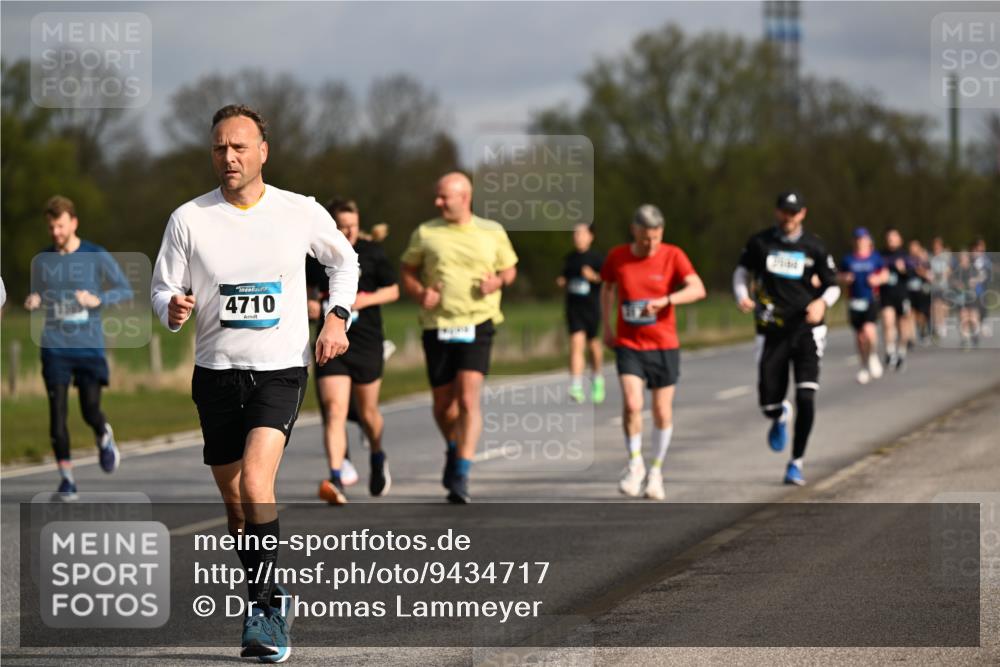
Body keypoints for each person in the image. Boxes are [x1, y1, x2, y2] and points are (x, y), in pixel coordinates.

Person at [150, 104, 358, 662]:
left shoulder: (298, 211)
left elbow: (345, 264)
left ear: (263, 151)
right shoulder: (189, 219)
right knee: (235, 504)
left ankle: (264, 611)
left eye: (240, 146)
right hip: (215, 373)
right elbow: (162, 288)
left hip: (280, 368)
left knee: (255, 484)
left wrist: (337, 316)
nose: (230, 156)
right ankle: (270, 593)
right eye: (220, 147)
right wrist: (171, 307)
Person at [400, 172, 518, 504]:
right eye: (437, 197)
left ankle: (462, 471)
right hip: (437, 325)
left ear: (464, 197)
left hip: (477, 322)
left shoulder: (491, 232)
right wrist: (420, 292)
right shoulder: (425, 233)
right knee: (442, 407)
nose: (438, 202)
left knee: (468, 400)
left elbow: (509, 268)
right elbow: (407, 271)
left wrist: (498, 282)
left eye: (443, 197)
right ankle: (454, 448)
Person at [24, 195, 131, 500]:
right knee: (57, 418)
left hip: (88, 347)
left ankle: (102, 434)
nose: (55, 233)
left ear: (73, 222)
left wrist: (99, 300)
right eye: (51, 227)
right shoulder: (44, 259)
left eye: (59, 226)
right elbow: (41, 294)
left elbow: (123, 289)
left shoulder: (96, 254)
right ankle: (67, 480)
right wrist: (35, 300)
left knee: (89, 410)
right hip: (55, 347)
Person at [733, 191, 840, 486]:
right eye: (784, 211)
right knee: (768, 403)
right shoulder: (761, 242)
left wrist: (822, 304)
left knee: (806, 396)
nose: (788, 217)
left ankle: (796, 462)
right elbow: (741, 272)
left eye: (794, 212)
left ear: (803, 214)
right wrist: (742, 295)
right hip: (772, 329)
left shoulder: (814, 246)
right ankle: (780, 414)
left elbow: (833, 285)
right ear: (777, 212)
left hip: (806, 329)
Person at [601, 205, 705, 500]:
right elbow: (607, 288)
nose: (651, 245)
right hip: (630, 343)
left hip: (663, 344)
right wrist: (607, 327)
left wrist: (666, 300)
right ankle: (635, 465)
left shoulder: (673, 255)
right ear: (634, 231)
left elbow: (698, 289)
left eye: (657, 238)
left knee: (661, 410)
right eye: (646, 238)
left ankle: (656, 471)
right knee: (633, 404)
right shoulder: (617, 257)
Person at [307, 198, 398, 505]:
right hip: (330, 343)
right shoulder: (317, 255)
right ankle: (336, 477)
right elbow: (303, 293)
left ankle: (376, 453)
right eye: (341, 227)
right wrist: (314, 307)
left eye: (352, 227)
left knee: (368, 413)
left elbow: (393, 289)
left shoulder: (372, 253)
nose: (347, 232)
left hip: (366, 341)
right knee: (334, 409)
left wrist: (360, 301)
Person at [556, 223, 605, 404]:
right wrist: (562, 281)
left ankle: (597, 378)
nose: (577, 237)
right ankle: (576, 384)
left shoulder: (597, 258)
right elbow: (564, 277)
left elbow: (607, 280)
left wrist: (593, 277)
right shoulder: (569, 259)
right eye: (575, 234)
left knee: (593, 345)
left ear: (590, 237)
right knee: (576, 343)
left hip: (592, 308)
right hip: (574, 308)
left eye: (581, 234)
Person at [838, 228, 887, 384]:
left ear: (868, 241)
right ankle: (864, 366)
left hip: (870, 299)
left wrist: (877, 279)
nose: (860, 242)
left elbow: (885, 275)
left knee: (869, 331)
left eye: (863, 239)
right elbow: (837, 275)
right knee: (860, 337)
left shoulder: (875, 258)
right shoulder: (848, 259)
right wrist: (845, 278)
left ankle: (872, 355)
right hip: (854, 300)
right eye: (857, 239)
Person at [879, 228, 914, 370]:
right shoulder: (881, 255)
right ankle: (889, 351)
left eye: (893, 237)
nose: (891, 240)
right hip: (886, 294)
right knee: (888, 322)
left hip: (902, 295)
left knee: (902, 325)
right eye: (888, 238)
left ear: (900, 239)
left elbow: (912, 275)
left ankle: (901, 351)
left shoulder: (905, 255)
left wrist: (903, 270)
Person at [906, 239, 933, 345]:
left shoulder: (924, 260)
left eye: (915, 247)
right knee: (910, 313)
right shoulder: (907, 260)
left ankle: (924, 330)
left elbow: (929, 275)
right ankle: (910, 338)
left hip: (922, 290)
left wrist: (921, 271)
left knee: (922, 314)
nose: (912, 249)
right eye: (911, 247)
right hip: (910, 291)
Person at [929, 237, 952, 340]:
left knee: (944, 306)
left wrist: (945, 273)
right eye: (935, 246)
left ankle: (943, 323)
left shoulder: (945, 257)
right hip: (935, 286)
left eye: (938, 246)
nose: (936, 248)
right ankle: (938, 325)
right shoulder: (931, 258)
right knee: (936, 306)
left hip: (944, 285)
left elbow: (950, 270)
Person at [971, 237, 993, 339]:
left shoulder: (986, 259)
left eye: (983, 246)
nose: (982, 249)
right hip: (973, 287)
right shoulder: (972, 258)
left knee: (983, 306)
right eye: (980, 246)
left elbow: (988, 272)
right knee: (975, 307)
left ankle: (982, 323)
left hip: (983, 286)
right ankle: (977, 328)